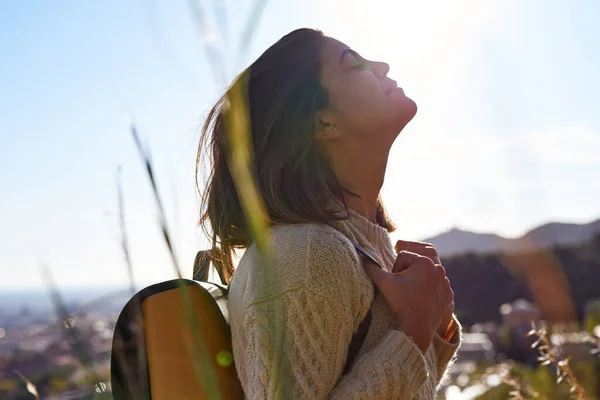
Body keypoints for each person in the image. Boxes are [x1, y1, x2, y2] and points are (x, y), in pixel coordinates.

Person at [197, 28, 461, 399]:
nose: (382, 66)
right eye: (355, 65)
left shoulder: (354, 249)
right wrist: (415, 328)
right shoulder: (306, 255)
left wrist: (433, 322)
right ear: (323, 123)